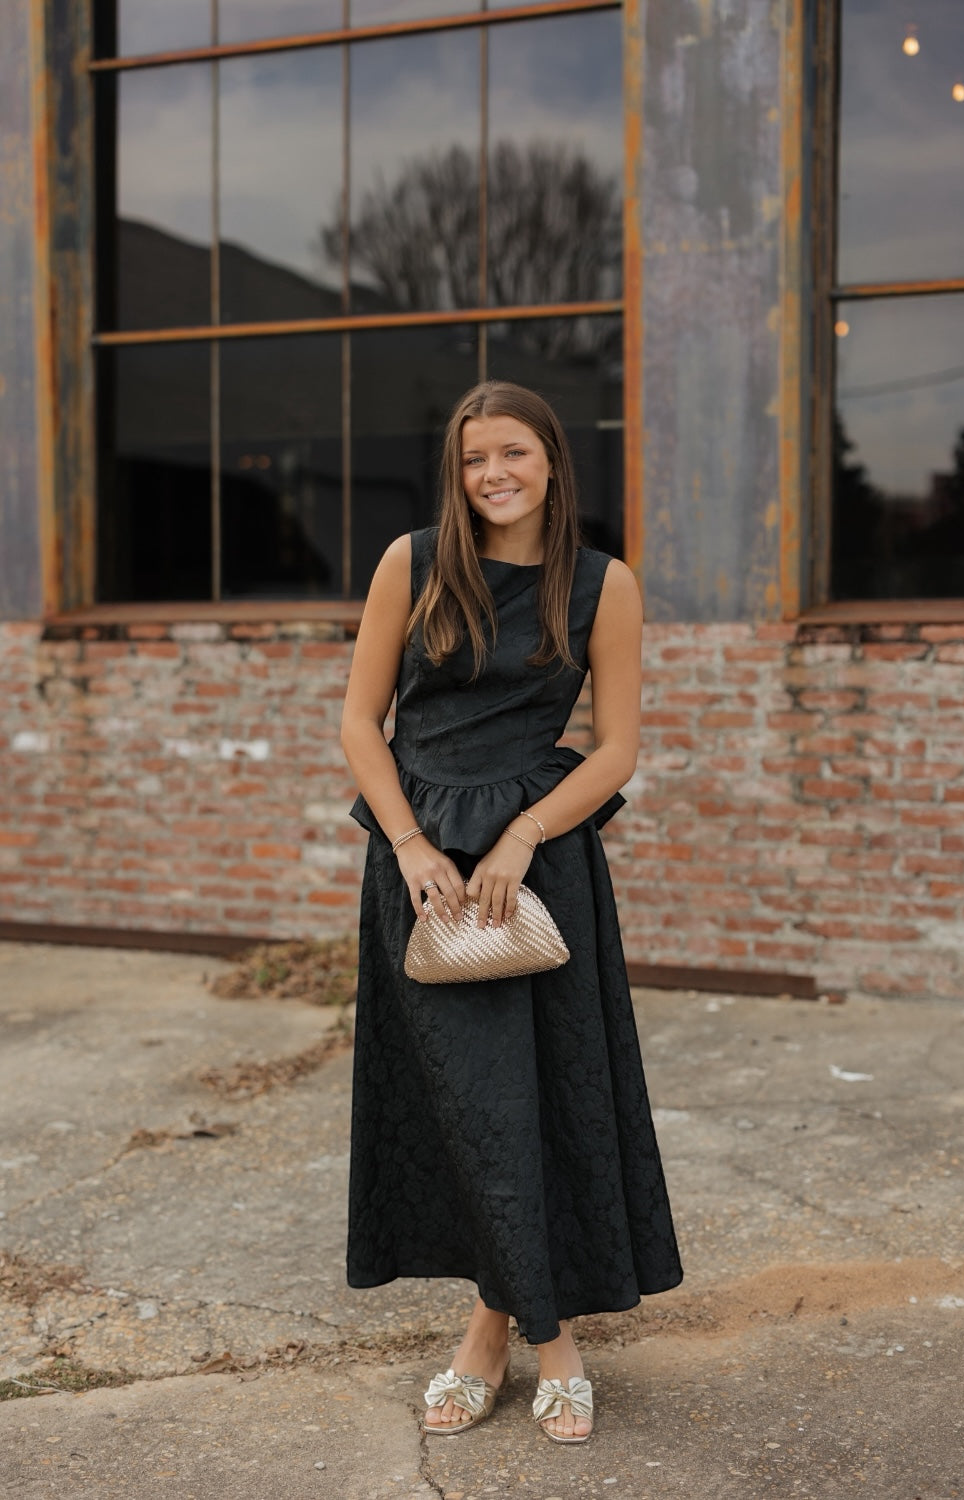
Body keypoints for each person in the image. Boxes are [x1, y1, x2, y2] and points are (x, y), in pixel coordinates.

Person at [340, 380, 682, 1444]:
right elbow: (358, 722)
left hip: (538, 868)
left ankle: (519, 1340)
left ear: (550, 462)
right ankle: (529, 1338)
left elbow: (617, 749)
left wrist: (526, 834)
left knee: (540, 1105)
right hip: (422, 868)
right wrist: (408, 844)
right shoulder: (410, 563)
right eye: (474, 457)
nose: (494, 474)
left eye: (514, 453)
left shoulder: (602, 584)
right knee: (463, 1110)